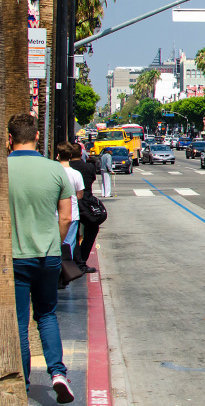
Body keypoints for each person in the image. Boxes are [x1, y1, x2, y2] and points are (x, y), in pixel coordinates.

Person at [8, 113, 75, 402]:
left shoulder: (4, 168)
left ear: (10, 139)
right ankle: (58, 373)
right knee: (46, 315)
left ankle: (22, 383)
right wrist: (54, 243)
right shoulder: (55, 170)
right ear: (37, 137)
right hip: (48, 255)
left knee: (20, 323)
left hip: (15, 257)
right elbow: (66, 217)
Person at [55, 142, 83, 285]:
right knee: (69, 246)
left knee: (56, 245)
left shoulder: (54, 172)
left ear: (57, 155)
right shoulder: (76, 174)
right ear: (71, 156)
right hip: (72, 213)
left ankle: (57, 273)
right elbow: (80, 194)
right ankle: (65, 274)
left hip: (55, 214)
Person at [70, 144, 99, 273]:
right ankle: (81, 259)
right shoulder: (88, 167)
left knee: (73, 233)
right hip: (86, 203)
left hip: (70, 202)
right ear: (81, 154)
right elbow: (92, 179)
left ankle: (75, 260)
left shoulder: (67, 168)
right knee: (92, 230)